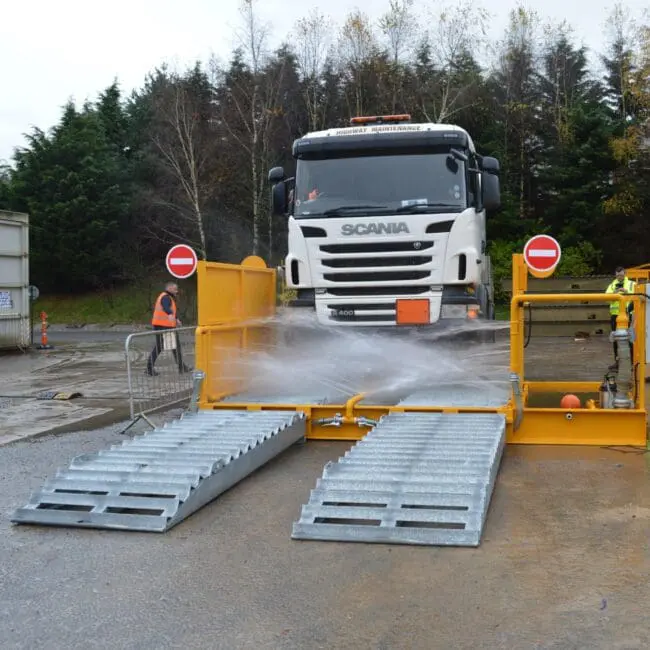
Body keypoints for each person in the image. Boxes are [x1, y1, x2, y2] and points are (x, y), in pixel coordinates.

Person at [146, 281, 191, 376]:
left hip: (165, 326)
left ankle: (181, 367)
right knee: (160, 346)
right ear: (169, 288)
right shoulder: (166, 297)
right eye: (175, 289)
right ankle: (149, 368)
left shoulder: (167, 297)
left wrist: (176, 318)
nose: (176, 291)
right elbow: (166, 307)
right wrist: (170, 314)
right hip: (163, 326)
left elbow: (170, 310)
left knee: (174, 346)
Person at [605, 266, 636, 364]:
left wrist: (627, 293)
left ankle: (631, 361)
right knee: (615, 339)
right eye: (618, 275)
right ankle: (617, 362)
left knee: (629, 338)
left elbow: (638, 297)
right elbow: (606, 299)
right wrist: (615, 293)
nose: (620, 277)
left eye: (621, 275)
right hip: (615, 316)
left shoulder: (632, 284)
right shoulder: (612, 285)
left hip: (628, 315)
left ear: (625, 274)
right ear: (615, 275)